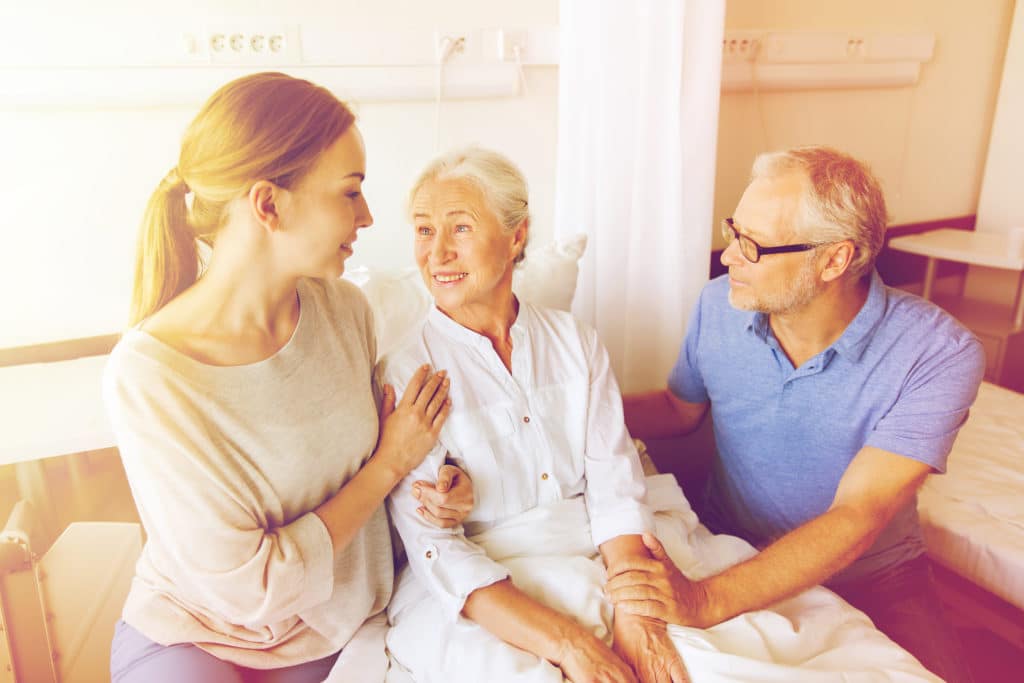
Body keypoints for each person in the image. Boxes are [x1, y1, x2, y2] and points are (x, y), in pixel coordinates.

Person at [103, 72, 471, 683]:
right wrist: (389, 465)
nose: (369, 215)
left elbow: (395, 454)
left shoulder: (346, 312)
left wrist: (443, 484)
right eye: (349, 192)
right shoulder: (151, 378)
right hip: (196, 635)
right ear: (269, 204)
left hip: (334, 629)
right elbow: (253, 588)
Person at [609, 146, 984, 683]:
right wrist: (570, 411)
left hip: (874, 576)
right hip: (726, 545)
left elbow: (859, 514)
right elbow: (678, 409)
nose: (728, 257)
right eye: (733, 231)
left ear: (833, 260)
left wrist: (706, 601)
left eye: (752, 245)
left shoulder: (938, 353)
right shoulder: (719, 305)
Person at [381, 147, 688, 683]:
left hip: (600, 556)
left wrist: (639, 616)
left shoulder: (574, 342)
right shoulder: (408, 368)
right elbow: (434, 545)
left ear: (516, 236)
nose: (438, 254)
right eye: (425, 231)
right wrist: (569, 644)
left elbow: (615, 488)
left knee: (704, 663)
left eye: (460, 228)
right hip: (485, 589)